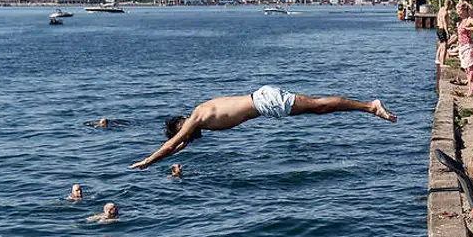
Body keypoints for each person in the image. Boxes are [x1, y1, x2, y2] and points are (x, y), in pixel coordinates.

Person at [129, 87, 396, 169]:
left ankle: (370, 107)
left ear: (180, 125)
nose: (186, 139)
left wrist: (146, 161)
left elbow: (171, 145)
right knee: (318, 109)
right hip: (264, 101)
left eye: (181, 134)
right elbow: (178, 146)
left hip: (265, 103)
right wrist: (165, 156)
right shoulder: (199, 115)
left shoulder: (195, 119)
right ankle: (368, 107)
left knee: (319, 107)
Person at [456, 0, 473, 96]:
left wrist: (468, 29)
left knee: (470, 69)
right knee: (467, 70)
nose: (458, 12)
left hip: (468, 47)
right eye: (457, 10)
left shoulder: (468, 20)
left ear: (464, 10)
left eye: (459, 10)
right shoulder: (462, 21)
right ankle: (470, 89)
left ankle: (471, 91)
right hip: (463, 47)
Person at [435, 0, 452, 67]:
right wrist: (447, 32)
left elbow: (438, 18)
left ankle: (437, 59)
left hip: (438, 28)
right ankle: (442, 63)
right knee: (444, 47)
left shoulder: (441, 9)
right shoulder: (445, 12)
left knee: (441, 45)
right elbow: (444, 22)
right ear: (449, 4)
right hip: (442, 29)